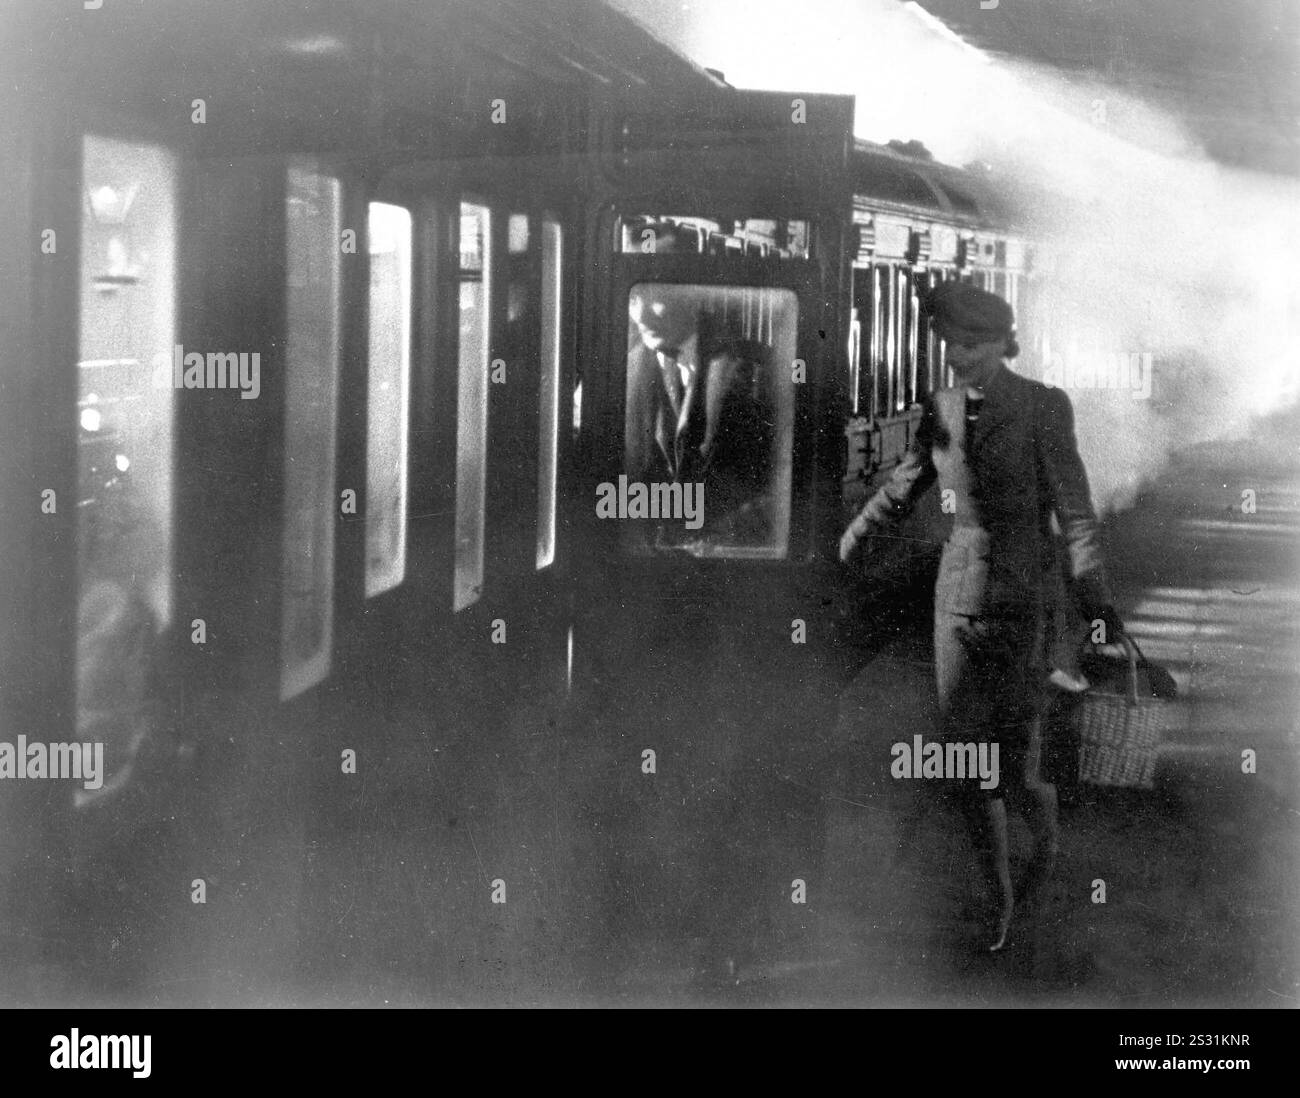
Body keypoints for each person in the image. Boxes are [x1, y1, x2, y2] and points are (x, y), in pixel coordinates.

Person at [839, 280, 1123, 951]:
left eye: (972, 342)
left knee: (1017, 764)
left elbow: (1075, 512)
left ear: (1002, 341)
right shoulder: (937, 407)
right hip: (958, 598)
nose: (958, 355)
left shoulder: (1044, 407)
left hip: (1026, 602)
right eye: (949, 342)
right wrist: (842, 549)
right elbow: (902, 489)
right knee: (965, 758)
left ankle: (1044, 848)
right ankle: (995, 901)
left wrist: (1094, 600)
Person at [624, 223, 774, 547]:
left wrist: (716, 542)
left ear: (691, 292)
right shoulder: (624, 371)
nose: (642, 315)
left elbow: (781, 490)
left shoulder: (754, 371)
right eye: (635, 298)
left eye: (656, 297)